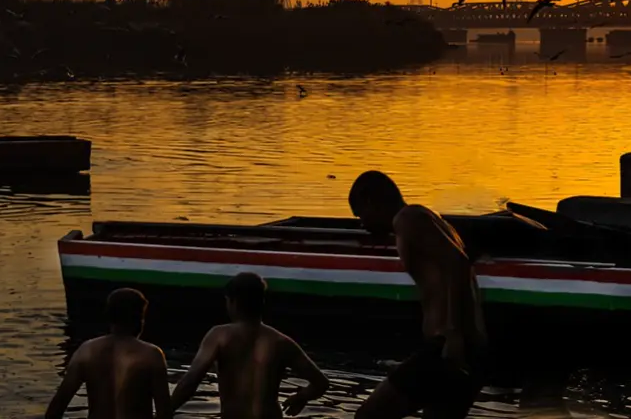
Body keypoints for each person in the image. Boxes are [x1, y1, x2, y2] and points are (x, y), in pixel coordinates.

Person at [348, 170, 487, 419]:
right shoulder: (429, 219)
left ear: (370, 200)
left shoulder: (408, 218)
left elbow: (458, 264)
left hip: (446, 348)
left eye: (360, 214)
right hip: (465, 349)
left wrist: (453, 336)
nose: (362, 224)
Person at [170, 272, 329, 418]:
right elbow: (320, 383)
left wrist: (163, 413)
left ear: (233, 302)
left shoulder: (219, 336)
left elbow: (190, 381)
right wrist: (300, 397)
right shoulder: (282, 342)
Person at [45, 287, 172, 419]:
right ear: (140, 319)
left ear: (109, 317)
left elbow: (55, 410)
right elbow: (164, 413)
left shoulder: (86, 350)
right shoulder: (152, 355)